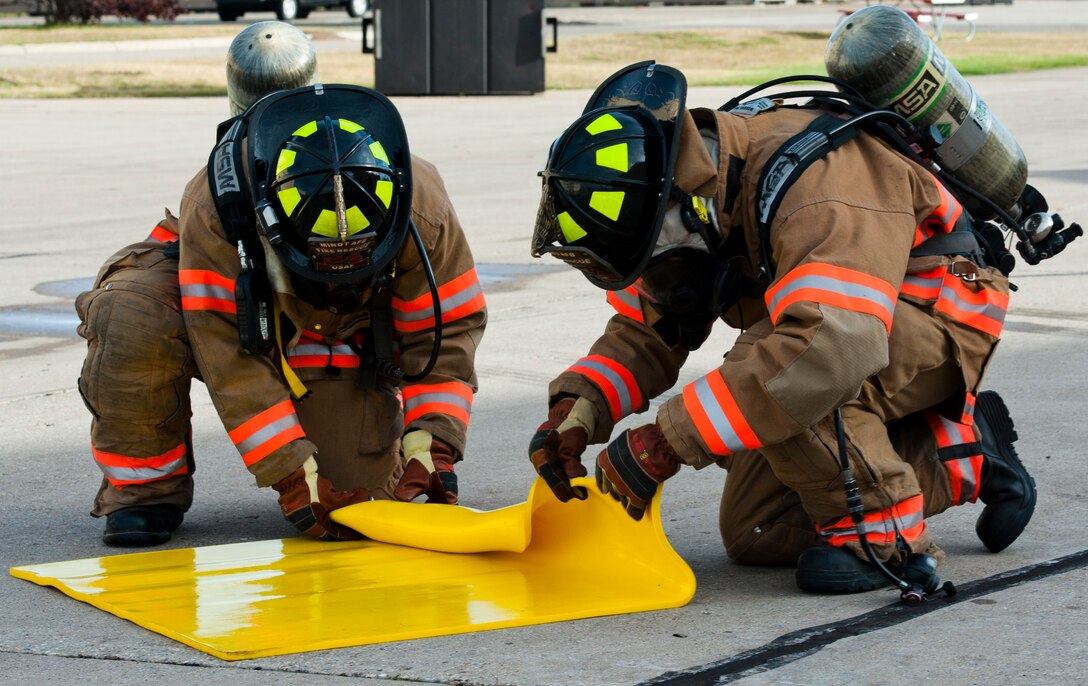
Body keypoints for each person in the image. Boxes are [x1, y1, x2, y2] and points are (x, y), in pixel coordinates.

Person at [528, 61, 1038, 594]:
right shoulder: (693, 190)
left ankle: (883, 538)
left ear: (682, 211)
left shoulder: (821, 186)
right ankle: (964, 454)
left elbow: (828, 347)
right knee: (757, 530)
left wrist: (668, 439)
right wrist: (579, 409)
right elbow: (649, 326)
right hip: (842, 322)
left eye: (655, 259)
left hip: (938, 310)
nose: (659, 276)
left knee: (778, 372)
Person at [76, 22, 485, 547]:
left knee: (358, 500)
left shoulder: (419, 201)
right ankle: (145, 490)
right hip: (243, 312)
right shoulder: (217, 202)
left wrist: (434, 442)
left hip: (333, 332)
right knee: (134, 312)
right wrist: (291, 472)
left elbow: (445, 331)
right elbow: (226, 353)